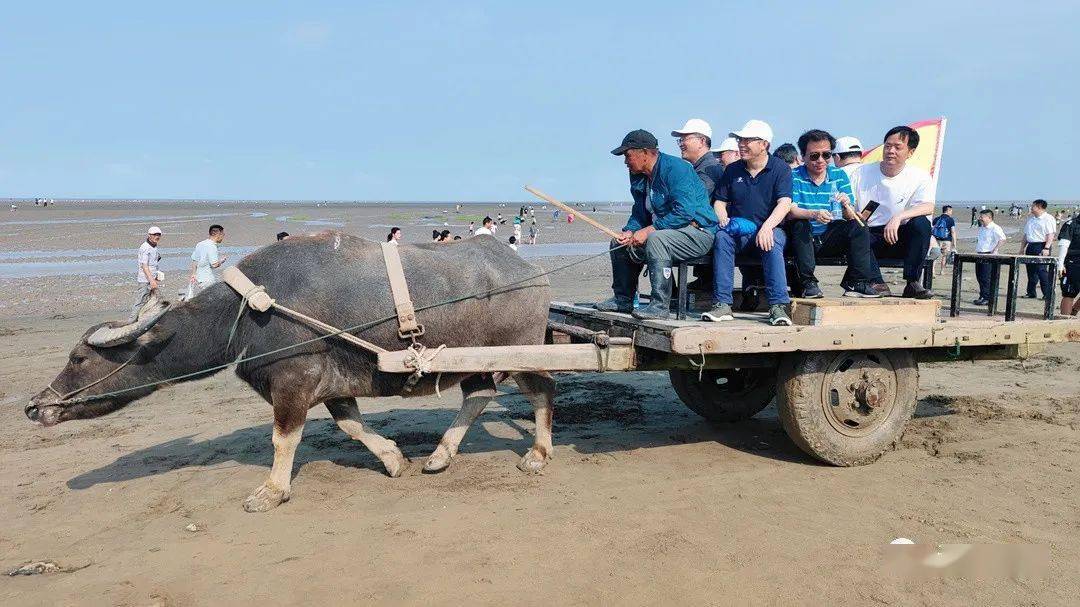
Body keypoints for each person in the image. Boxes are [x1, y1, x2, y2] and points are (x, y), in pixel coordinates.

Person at [595, 129, 717, 320]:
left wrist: (650, 229)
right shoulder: (637, 175)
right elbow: (640, 211)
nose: (625, 162)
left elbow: (684, 211)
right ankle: (623, 299)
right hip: (666, 233)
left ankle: (660, 305)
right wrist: (631, 230)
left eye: (628, 155)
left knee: (657, 239)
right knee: (618, 243)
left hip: (698, 231)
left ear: (645, 153)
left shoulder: (676, 169)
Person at [702, 119, 794, 326]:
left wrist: (767, 227)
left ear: (764, 144)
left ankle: (778, 306)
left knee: (774, 240)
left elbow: (785, 202)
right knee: (722, 237)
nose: (742, 144)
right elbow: (720, 201)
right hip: (739, 230)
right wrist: (722, 216)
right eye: (740, 140)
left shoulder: (780, 169)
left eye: (748, 140)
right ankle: (722, 304)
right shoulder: (733, 169)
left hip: (770, 228)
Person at [784, 129, 882, 299]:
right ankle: (808, 282)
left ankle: (857, 282)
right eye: (814, 156)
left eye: (826, 155)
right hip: (802, 237)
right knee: (800, 223)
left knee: (858, 225)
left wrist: (846, 205)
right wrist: (813, 214)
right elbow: (790, 210)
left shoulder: (839, 175)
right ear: (803, 156)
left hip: (828, 236)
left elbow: (849, 215)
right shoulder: (793, 176)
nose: (821, 160)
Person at [849, 126, 935, 299]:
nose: (891, 151)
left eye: (897, 147)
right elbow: (850, 204)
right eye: (887, 146)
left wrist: (898, 217)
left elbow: (928, 206)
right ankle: (877, 282)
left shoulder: (919, 176)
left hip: (899, 235)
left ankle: (912, 282)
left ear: (910, 152)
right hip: (868, 236)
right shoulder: (861, 172)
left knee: (921, 224)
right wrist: (852, 213)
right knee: (856, 228)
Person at [672, 118, 724, 295]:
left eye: (685, 139)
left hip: (708, 232)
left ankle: (668, 295)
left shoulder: (709, 169)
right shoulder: (700, 168)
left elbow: (693, 204)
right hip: (705, 229)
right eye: (680, 140)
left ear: (702, 141)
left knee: (658, 238)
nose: (681, 144)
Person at [1019, 199, 1057, 298]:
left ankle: (1048, 294)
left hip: (1042, 246)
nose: (1031, 208)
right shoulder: (1031, 219)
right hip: (1031, 246)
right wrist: (1022, 248)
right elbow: (1026, 235)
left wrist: (1047, 248)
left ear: (1039, 207)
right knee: (1031, 270)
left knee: (1041, 270)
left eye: (1033, 206)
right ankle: (1031, 292)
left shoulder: (1048, 218)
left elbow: (1050, 234)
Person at [973, 209, 1007, 306]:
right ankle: (982, 296)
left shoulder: (995, 228)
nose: (980, 219)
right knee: (979, 277)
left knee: (986, 277)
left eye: (982, 217)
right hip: (980, 254)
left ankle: (987, 298)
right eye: (980, 217)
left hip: (989, 255)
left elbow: (1002, 239)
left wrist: (995, 249)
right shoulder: (982, 228)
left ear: (989, 217)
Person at [132, 226, 163, 320]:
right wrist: (151, 280)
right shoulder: (145, 247)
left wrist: (156, 276)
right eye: (154, 235)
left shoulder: (154, 247)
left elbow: (153, 264)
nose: (157, 237)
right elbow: (144, 266)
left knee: (150, 300)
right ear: (149, 235)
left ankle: (144, 319)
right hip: (145, 279)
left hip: (151, 278)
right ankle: (131, 321)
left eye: (158, 235)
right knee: (141, 301)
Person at [189, 224, 227, 295]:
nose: (223, 237)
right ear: (218, 234)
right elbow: (214, 264)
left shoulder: (200, 244)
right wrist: (222, 261)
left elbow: (195, 261)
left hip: (199, 279)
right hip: (208, 279)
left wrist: (193, 274)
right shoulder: (212, 246)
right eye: (223, 235)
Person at [1058, 212, 1080, 315]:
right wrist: (1060, 263)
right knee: (1069, 293)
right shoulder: (1071, 224)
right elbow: (1064, 244)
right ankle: (1064, 322)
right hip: (1072, 262)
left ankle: (1074, 310)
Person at [931, 205, 958, 276]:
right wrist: (954, 243)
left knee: (935, 255)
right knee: (944, 256)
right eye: (951, 210)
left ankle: (933, 271)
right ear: (948, 210)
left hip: (936, 240)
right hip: (947, 240)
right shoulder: (950, 220)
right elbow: (953, 231)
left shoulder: (936, 219)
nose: (951, 212)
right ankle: (942, 271)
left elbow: (932, 230)